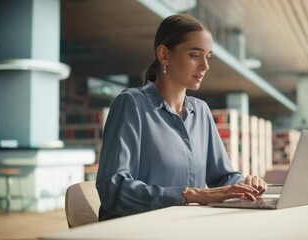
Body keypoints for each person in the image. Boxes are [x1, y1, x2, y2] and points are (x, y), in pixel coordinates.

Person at [96, 14, 267, 221]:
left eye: (208, 56)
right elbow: (113, 190)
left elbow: (223, 176)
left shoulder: (202, 111)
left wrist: (246, 183)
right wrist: (190, 195)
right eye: (195, 55)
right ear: (164, 55)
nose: (205, 66)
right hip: (137, 230)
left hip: (185, 228)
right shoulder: (131, 104)